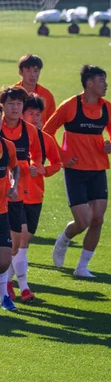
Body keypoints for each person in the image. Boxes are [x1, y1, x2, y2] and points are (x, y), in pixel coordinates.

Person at [43, 65, 111, 277]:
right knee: (83, 222)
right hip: (75, 171)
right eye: (102, 80)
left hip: (98, 170)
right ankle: (64, 239)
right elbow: (47, 132)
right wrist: (62, 156)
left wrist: (110, 146)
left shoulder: (108, 108)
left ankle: (82, 267)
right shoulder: (70, 106)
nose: (106, 85)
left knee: (97, 220)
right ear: (89, 83)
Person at [4, 94, 62, 302]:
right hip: (12, 196)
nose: (36, 118)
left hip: (34, 196)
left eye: (39, 114)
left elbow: (56, 163)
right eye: (32, 113)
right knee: (18, 243)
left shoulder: (44, 138)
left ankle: (9, 283)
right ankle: (22, 287)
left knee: (19, 245)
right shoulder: (7, 133)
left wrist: (43, 169)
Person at [0, 86, 43, 302]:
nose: (15, 108)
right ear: (3, 106)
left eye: (19, 104)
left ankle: (9, 284)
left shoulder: (30, 131)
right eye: (11, 103)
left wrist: (34, 166)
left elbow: (37, 156)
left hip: (16, 195)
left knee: (15, 245)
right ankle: (13, 288)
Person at [0, 104, 21, 311]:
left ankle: (3, 296)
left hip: (2, 211)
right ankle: (4, 297)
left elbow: (15, 168)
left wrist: (14, 185)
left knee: (5, 259)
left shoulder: (8, 147)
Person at [15, 54, 56, 125]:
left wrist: (42, 131)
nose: (32, 75)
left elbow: (52, 124)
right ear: (20, 72)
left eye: (36, 71)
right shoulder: (11, 94)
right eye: (28, 70)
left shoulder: (47, 95)